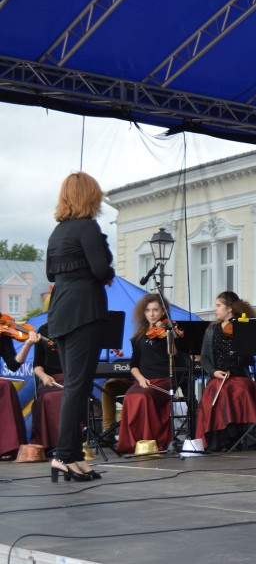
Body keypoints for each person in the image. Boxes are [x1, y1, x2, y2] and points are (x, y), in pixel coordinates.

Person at [46, 172, 115, 482]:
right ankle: (64, 454)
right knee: (77, 386)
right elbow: (101, 268)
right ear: (90, 196)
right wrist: (105, 272)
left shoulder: (57, 232)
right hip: (84, 311)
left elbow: (50, 273)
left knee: (76, 385)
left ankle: (71, 455)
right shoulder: (88, 227)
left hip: (60, 311)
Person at [194, 291, 256, 451]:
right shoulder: (211, 329)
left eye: (218, 305)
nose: (215, 309)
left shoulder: (243, 326)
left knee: (239, 389)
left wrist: (242, 341)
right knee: (217, 390)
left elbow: (247, 360)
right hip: (217, 377)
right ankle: (223, 439)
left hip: (239, 376)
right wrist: (214, 372)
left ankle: (243, 438)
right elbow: (205, 357)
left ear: (229, 309)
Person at [116, 294, 177, 454]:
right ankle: (134, 442)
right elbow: (134, 365)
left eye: (155, 310)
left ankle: (151, 441)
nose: (151, 314)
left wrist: (171, 336)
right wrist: (141, 379)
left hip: (164, 379)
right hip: (145, 381)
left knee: (145, 397)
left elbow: (175, 355)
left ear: (163, 312)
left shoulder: (168, 332)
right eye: (148, 310)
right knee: (130, 397)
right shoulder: (139, 337)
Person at [0, 325, 41, 459]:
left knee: (5, 386)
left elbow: (13, 365)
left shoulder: (3, 333)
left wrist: (28, 345)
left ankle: (8, 447)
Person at [27, 324, 64, 451]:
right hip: (50, 379)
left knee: (71, 394)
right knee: (48, 397)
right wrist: (43, 376)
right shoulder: (43, 331)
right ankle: (52, 443)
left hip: (72, 378)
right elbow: (37, 364)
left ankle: (72, 441)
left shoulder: (77, 329)